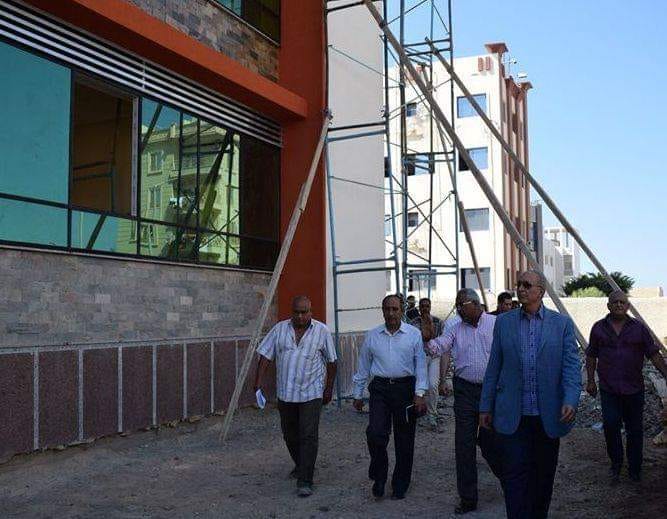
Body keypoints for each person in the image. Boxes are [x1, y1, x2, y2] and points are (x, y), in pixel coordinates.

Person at [479, 270, 581, 519]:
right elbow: (494, 367)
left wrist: (570, 400)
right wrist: (485, 407)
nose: (521, 289)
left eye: (527, 285)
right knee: (514, 477)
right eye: (519, 285)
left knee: (543, 478)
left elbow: (571, 367)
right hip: (513, 416)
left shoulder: (561, 324)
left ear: (541, 292)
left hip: (547, 417)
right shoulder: (504, 323)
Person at [254, 296, 337, 497]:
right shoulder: (279, 329)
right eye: (296, 312)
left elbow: (332, 362)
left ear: (311, 312)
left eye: (304, 312)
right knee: (290, 435)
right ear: (291, 312)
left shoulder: (322, 331)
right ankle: (301, 464)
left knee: (308, 435)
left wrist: (328, 389)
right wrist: (258, 382)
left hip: (311, 393)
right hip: (286, 393)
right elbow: (265, 355)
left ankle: (305, 480)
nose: (300, 316)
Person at [426, 289, 497, 515]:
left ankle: (509, 479)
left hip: (491, 392)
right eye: (456, 305)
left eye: (461, 304)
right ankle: (468, 498)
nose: (458, 309)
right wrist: (427, 339)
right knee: (464, 445)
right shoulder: (455, 327)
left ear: (476, 304)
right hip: (464, 391)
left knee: (492, 442)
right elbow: (439, 346)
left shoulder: (495, 324)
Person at [585, 290, 667, 483]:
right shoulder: (598, 328)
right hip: (609, 389)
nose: (619, 305)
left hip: (634, 389)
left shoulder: (639, 328)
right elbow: (591, 355)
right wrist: (590, 381)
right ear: (608, 306)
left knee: (635, 430)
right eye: (615, 302)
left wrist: (666, 373)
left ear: (628, 306)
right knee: (611, 426)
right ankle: (616, 464)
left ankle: (635, 469)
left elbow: (653, 354)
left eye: (622, 302)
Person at [352, 294, 427, 500]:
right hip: (380, 390)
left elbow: (420, 365)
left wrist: (420, 393)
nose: (391, 313)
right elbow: (363, 366)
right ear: (382, 311)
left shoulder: (413, 334)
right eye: (387, 309)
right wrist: (358, 394)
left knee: (404, 440)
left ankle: (400, 484)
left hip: (405, 390)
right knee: (375, 434)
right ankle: (379, 476)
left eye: (395, 309)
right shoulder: (372, 335)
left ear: (402, 310)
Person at [409, 297, 444, 428]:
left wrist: (430, 325)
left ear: (430, 307)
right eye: (422, 306)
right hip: (420, 357)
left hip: (434, 356)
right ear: (419, 307)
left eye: (427, 306)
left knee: (433, 385)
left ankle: (432, 414)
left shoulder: (438, 322)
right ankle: (418, 411)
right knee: (419, 385)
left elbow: (440, 340)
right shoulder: (414, 323)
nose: (425, 308)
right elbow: (418, 339)